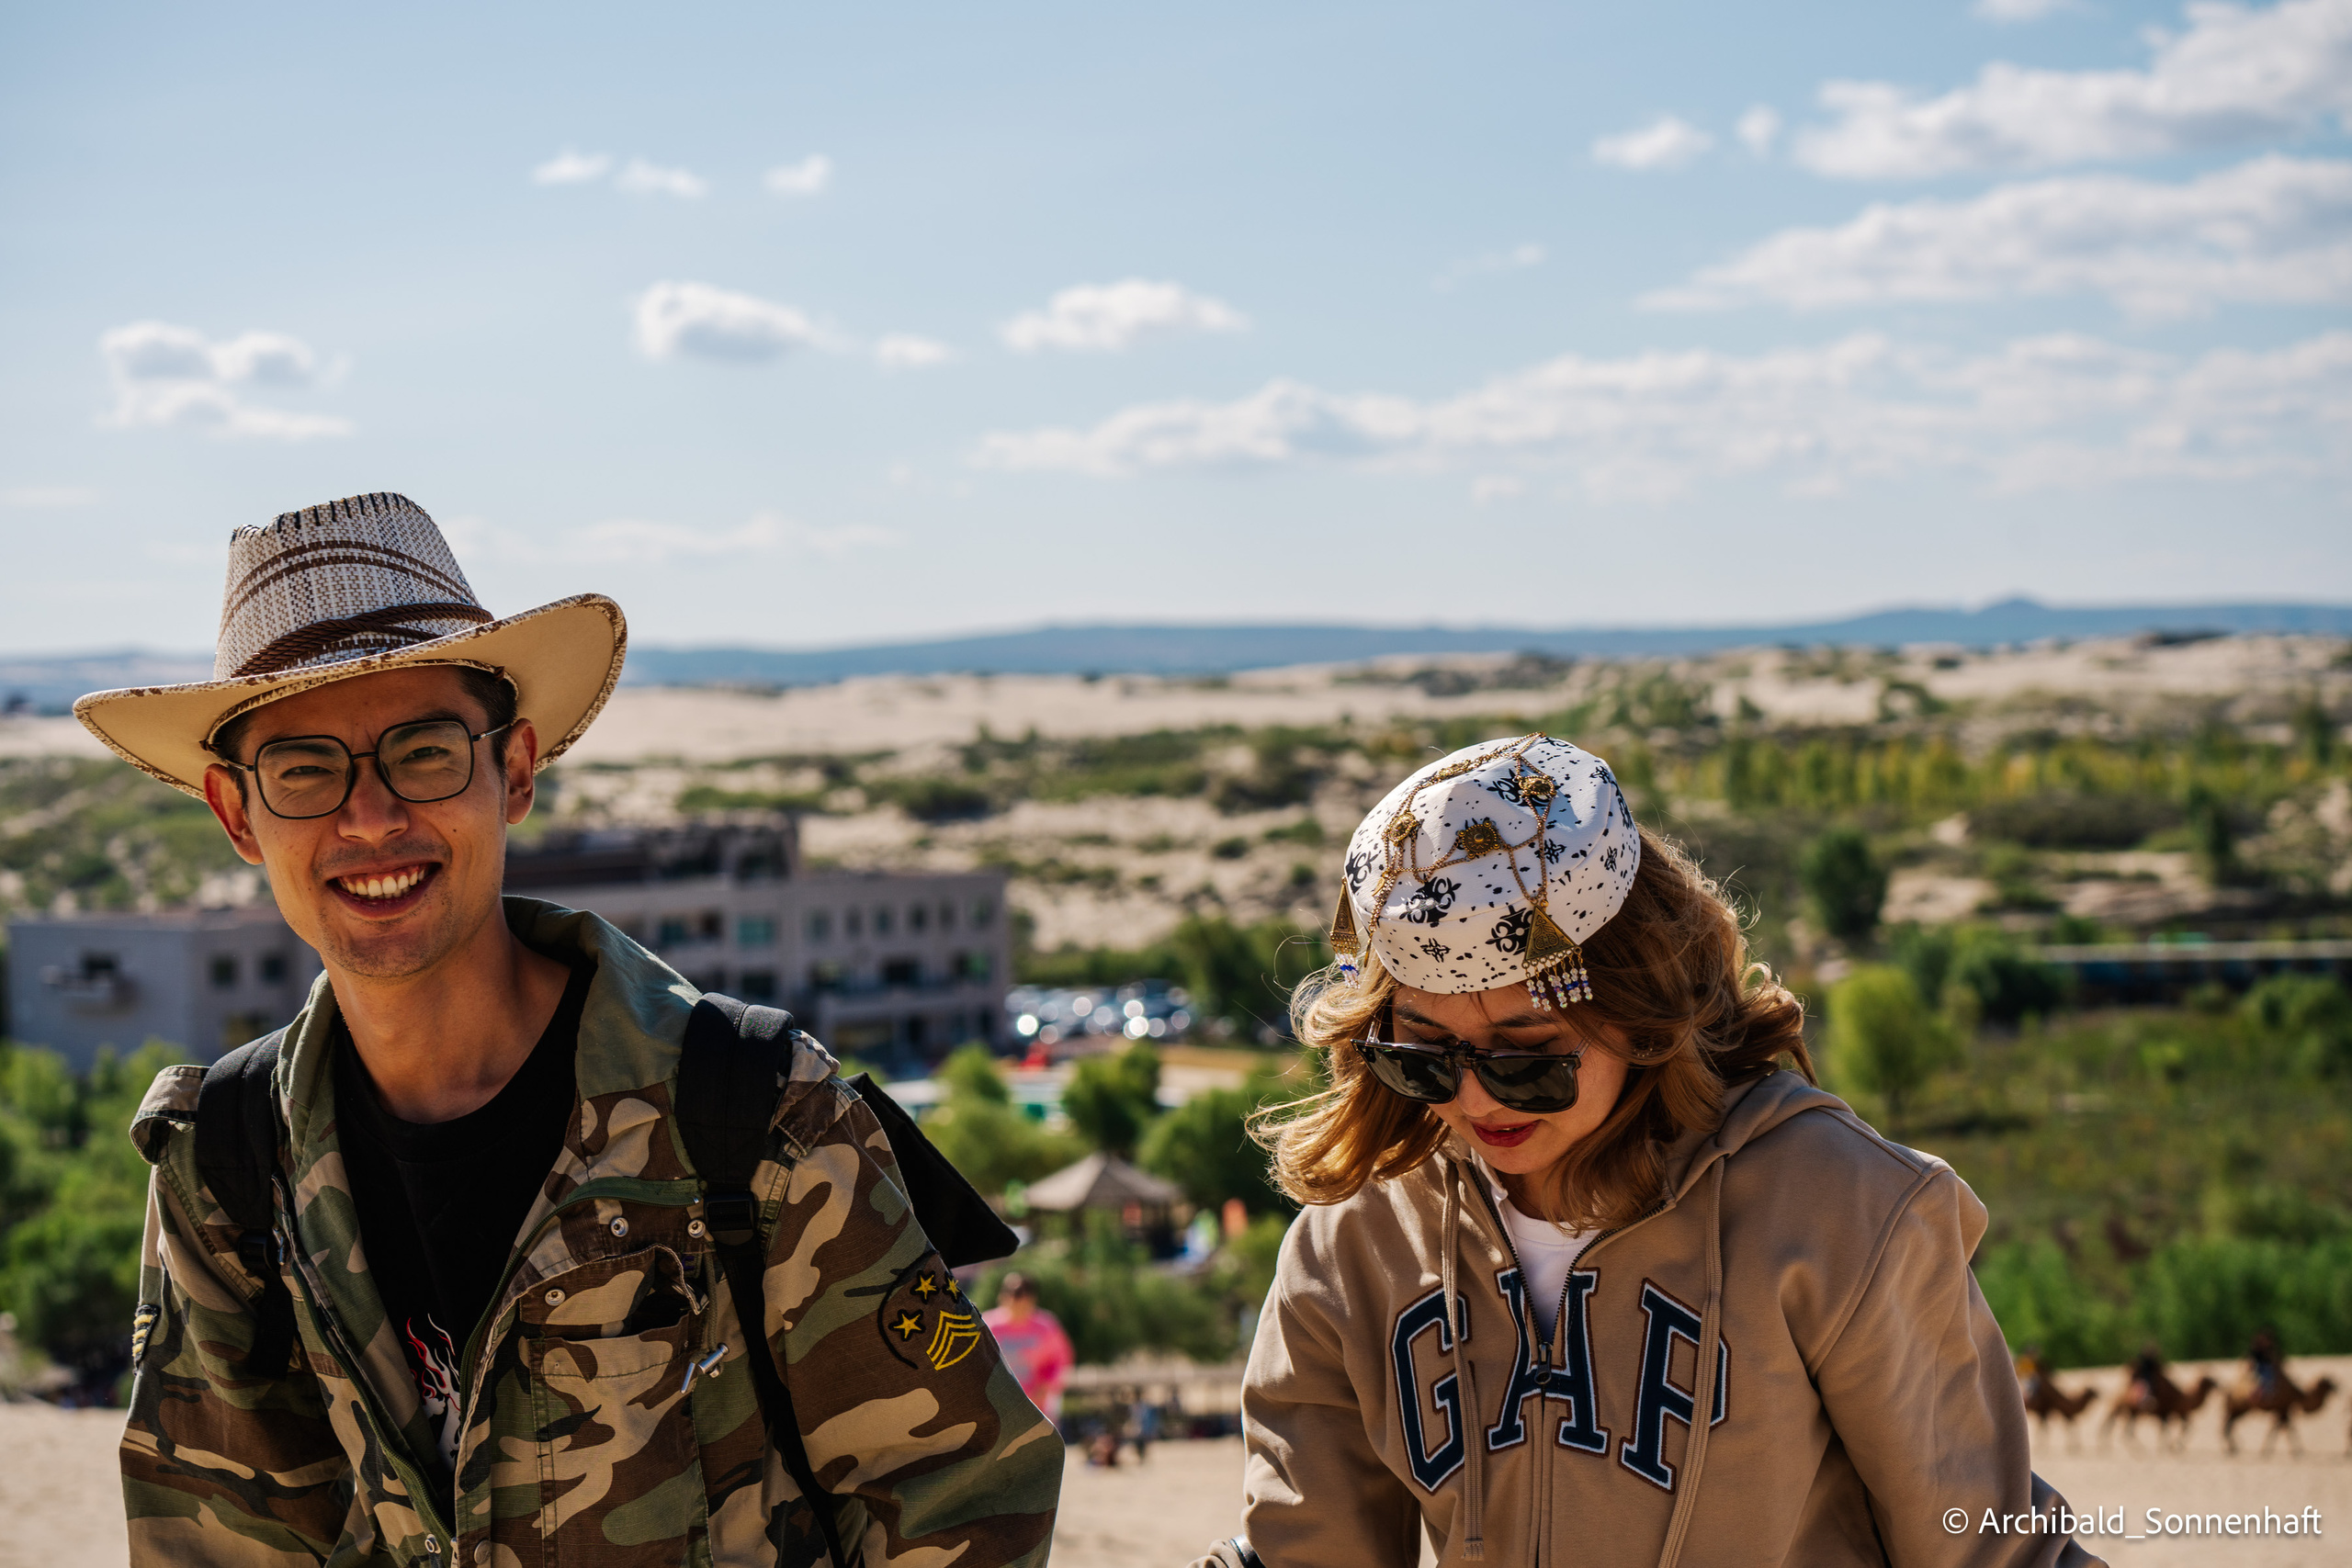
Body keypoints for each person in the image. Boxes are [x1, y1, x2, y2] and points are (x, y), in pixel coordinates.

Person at [89, 493, 1058, 1566]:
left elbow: (959, 1497)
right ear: (238, 814)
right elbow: (220, 1544)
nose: (370, 819)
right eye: (305, 771)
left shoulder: (753, 1113)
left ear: (513, 771)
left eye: (424, 753)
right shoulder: (226, 1165)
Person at [1190, 735, 2097, 1568]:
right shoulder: (1354, 1244)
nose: (1472, 1099)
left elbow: (1991, 1552)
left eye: (1526, 1060)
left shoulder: (1842, 1211)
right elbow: (1309, 1551)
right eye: (1420, 1057)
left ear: (1642, 1007)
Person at [983, 1270, 1075, 1426]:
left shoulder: (1046, 1326)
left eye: (1021, 1292)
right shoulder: (988, 1324)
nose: (1016, 1298)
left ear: (1032, 1297)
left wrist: (1047, 1386)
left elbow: (1061, 1360)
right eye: (1011, 1292)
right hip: (998, 1408)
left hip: (1036, 1409)